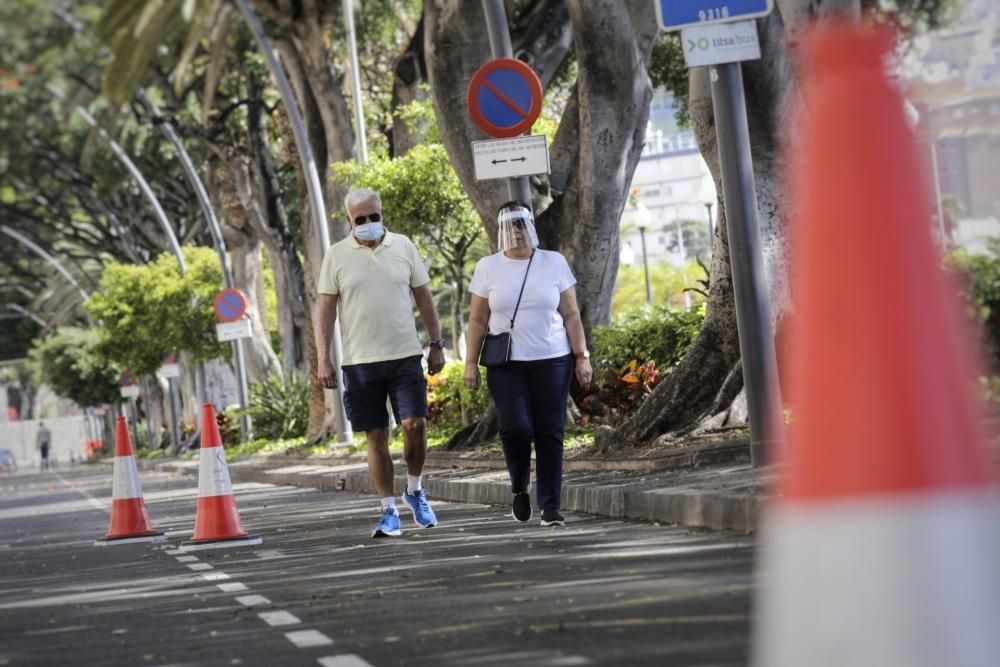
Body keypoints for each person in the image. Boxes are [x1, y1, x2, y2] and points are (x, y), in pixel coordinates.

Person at [316, 188, 446, 538]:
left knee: (415, 424)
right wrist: (323, 359)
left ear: (382, 214)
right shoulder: (336, 256)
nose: (369, 223)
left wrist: (436, 344)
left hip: (404, 354)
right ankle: (388, 510)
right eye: (361, 219)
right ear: (349, 221)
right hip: (359, 363)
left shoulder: (403, 246)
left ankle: (415, 490)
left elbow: (424, 297)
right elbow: (326, 310)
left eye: (374, 216)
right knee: (376, 436)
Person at [464, 201, 593, 526]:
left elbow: (571, 314)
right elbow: (478, 320)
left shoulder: (554, 262)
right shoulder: (488, 267)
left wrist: (581, 356)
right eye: (510, 226)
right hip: (507, 365)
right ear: (500, 231)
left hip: (552, 361)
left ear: (530, 226)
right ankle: (520, 486)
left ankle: (550, 507)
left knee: (550, 432)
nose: (516, 232)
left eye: (521, 224)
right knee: (517, 429)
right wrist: (469, 363)